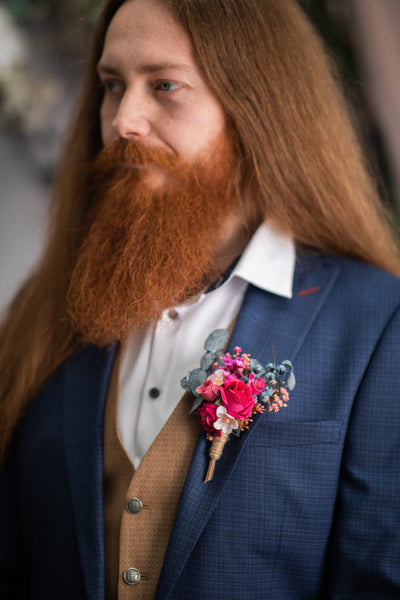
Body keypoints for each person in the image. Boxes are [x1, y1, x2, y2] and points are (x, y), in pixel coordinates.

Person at [1, 0, 400, 598]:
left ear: (256, 108)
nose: (123, 120)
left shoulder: (378, 322)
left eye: (164, 85)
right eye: (113, 86)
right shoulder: (47, 308)